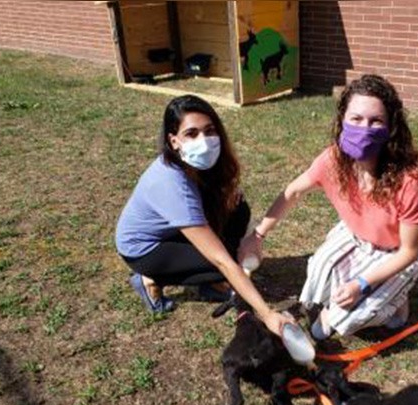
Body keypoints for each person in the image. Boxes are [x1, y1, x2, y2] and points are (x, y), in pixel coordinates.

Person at [238, 74, 418, 340]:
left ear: (391, 128)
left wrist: (362, 283)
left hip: (397, 248)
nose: (364, 128)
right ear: (342, 120)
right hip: (357, 234)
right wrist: (258, 235)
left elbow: (410, 250)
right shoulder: (333, 160)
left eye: (375, 121)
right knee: (317, 278)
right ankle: (378, 289)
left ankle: (397, 307)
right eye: (356, 119)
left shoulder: (407, 182)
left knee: (342, 320)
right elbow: (293, 192)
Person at [115, 94, 291, 336]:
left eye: (209, 130)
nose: (204, 140)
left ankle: (206, 282)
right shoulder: (172, 184)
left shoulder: (196, 165)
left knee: (238, 210)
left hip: (172, 231)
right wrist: (267, 313)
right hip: (145, 249)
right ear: (174, 140)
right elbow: (222, 260)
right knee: (228, 261)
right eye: (192, 133)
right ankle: (149, 279)